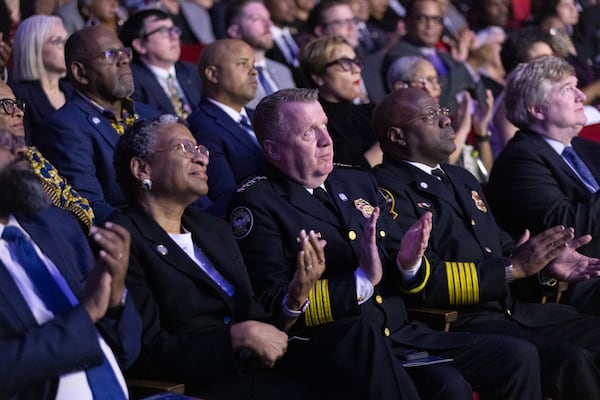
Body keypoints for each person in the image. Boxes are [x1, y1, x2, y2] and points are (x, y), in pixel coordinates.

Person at [228, 87, 544, 400]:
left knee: (517, 357)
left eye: (325, 125)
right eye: (310, 133)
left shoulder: (356, 180)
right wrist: (359, 281)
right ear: (273, 150)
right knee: (448, 387)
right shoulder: (257, 204)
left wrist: (409, 264)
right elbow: (272, 305)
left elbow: (400, 265)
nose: (327, 140)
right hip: (339, 349)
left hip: (404, 335)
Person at [111, 114, 402, 399]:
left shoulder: (212, 229)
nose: (201, 158)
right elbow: (145, 352)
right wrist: (236, 337)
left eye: (200, 148)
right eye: (183, 148)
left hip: (261, 369)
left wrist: (295, 298)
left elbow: (263, 325)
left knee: (358, 336)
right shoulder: (122, 238)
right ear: (141, 169)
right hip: (210, 381)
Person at [372, 86, 600, 399]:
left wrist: (547, 267)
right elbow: (419, 278)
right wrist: (513, 268)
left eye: (442, 111)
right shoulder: (384, 190)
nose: (445, 120)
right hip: (462, 322)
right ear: (397, 136)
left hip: (515, 311)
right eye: (429, 116)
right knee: (565, 360)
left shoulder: (461, 178)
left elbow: (506, 251)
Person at [0, 125, 140, 398]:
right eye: (5, 142)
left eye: (19, 139)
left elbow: (128, 351)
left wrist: (114, 300)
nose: (22, 149)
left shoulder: (56, 225)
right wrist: (86, 315)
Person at [487, 55, 600, 314]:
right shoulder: (520, 159)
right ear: (537, 109)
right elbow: (567, 227)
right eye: (568, 89)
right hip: (576, 283)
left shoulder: (586, 149)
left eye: (577, 86)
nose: (581, 95)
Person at [34, 25, 159, 225]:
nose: (124, 59)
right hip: (134, 240)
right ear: (80, 72)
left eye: (124, 51)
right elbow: (93, 207)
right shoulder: (65, 127)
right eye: (110, 54)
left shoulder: (149, 114)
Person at [187, 39, 269, 216]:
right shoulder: (201, 127)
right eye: (242, 64)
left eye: (253, 64)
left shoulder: (261, 115)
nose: (254, 71)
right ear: (213, 74)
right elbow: (227, 196)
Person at [0, 80, 95, 231]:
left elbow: (81, 207)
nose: (19, 112)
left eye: (16, 104)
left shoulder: (31, 155)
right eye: (5, 105)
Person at [386, 55, 494, 181]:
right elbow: (443, 163)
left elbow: (487, 173)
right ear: (401, 87)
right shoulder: (403, 125)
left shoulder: (447, 118)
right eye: (428, 80)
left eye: (437, 81)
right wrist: (464, 128)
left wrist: (482, 131)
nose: (436, 87)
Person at [383, 0, 486, 111]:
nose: (431, 25)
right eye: (423, 18)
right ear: (407, 22)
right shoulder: (400, 53)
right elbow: (431, 96)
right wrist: (470, 66)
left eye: (437, 19)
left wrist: (462, 63)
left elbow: (483, 99)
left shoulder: (445, 55)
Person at [299, 35, 381, 168]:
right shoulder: (317, 126)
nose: (357, 69)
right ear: (318, 77)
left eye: (356, 62)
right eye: (345, 63)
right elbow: (344, 173)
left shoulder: (371, 111)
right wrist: (385, 145)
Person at [120, 8, 201, 119]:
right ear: (140, 45)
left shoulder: (192, 71)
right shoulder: (133, 83)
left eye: (174, 30)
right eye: (163, 31)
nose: (174, 37)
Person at [10, 15, 73, 143]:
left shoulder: (73, 90)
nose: (67, 47)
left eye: (67, 40)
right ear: (33, 47)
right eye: (57, 41)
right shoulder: (19, 95)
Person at [225, 0, 296, 109]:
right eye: (256, 19)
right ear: (235, 31)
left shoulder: (283, 71)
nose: (269, 25)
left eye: (268, 18)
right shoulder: (228, 77)